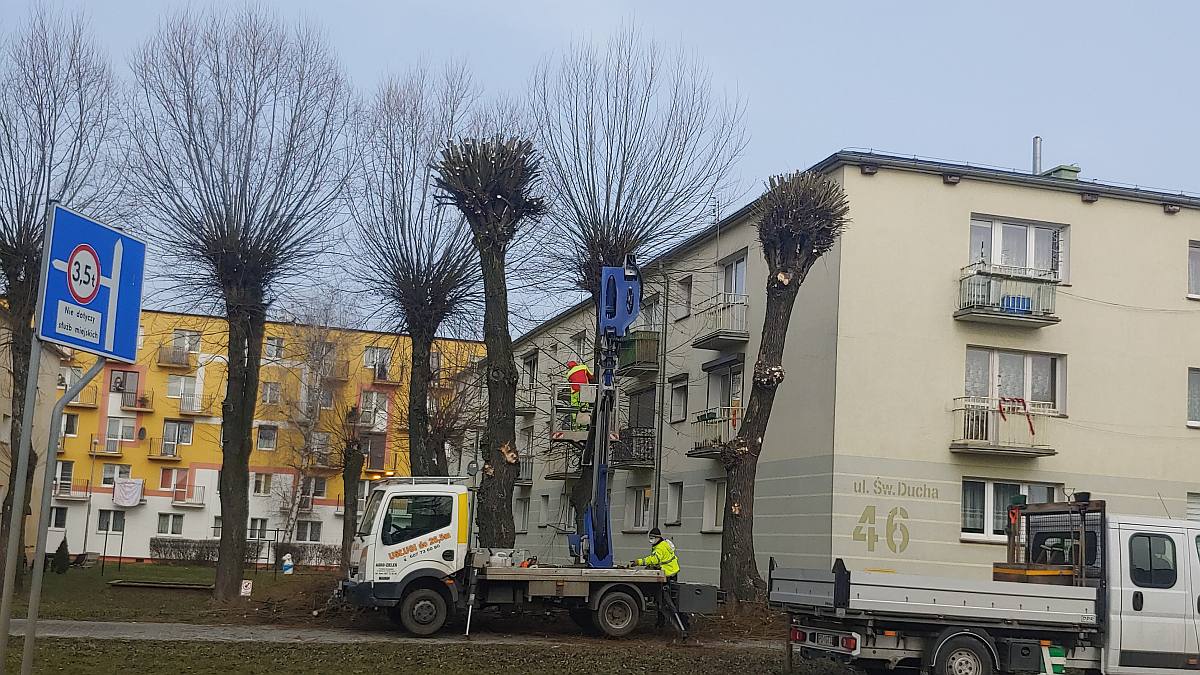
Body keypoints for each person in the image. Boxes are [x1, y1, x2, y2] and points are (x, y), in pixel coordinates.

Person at [631, 527, 689, 636]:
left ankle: (682, 625)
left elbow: (655, 559)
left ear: (658, 538)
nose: (651, 540)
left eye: (653, 537)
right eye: (650, 537)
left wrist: (638, 562)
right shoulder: (661, 545)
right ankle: (662, 623)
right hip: (670, 573)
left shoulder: (660, 547)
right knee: (663, 601)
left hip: (667, 575)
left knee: (667, 602)